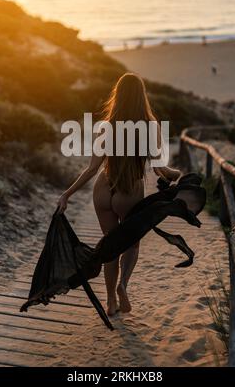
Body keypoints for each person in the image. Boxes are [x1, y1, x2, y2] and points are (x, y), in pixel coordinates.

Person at [58, 73, 181, 315]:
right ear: (141, 96)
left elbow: (92, 168)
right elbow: (160, 169)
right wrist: (177, 175)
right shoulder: (151, 125)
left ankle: (110, 302)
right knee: (131, 246)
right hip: (130, 191)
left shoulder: (105, 126)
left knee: (110, 246)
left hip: (103, 189)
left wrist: (67, 194)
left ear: (118, 95)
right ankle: (123, 286)